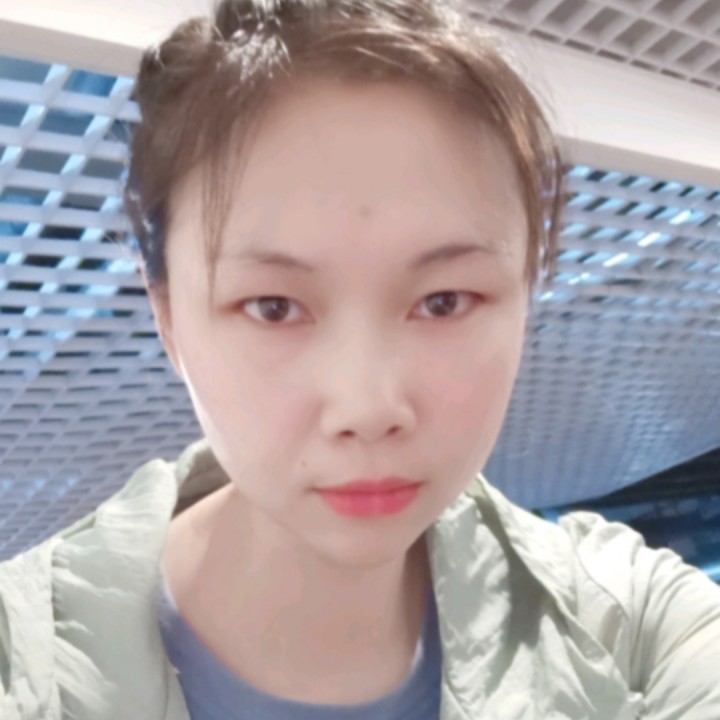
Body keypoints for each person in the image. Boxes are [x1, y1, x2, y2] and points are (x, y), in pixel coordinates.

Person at [1, 0, 720, 718]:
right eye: (273, 306)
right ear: (167, 317)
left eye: (443, 301)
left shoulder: (631, 631)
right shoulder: (21, 664)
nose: (368, 408)